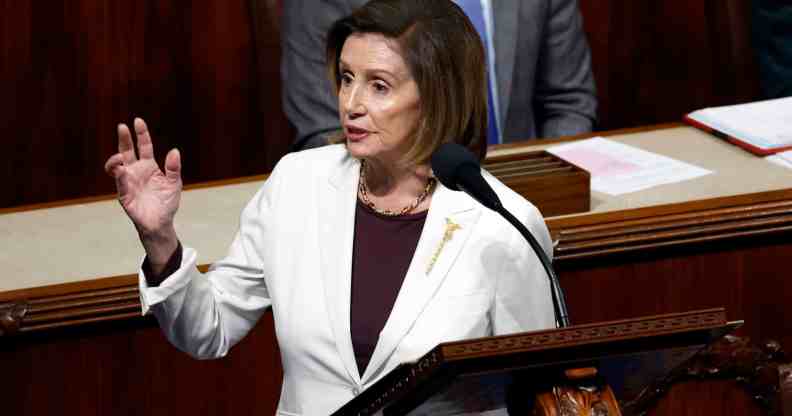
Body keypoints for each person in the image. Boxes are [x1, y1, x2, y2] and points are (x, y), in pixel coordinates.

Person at [105, 0, 554, 414]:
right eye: (346, 78)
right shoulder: (297, 184)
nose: (351, 104)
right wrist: (160, 238)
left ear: (438, 95)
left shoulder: (502, 223)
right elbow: (208, 328)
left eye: (379, 86)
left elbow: (537, 389)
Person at [282, 0, 597, 150]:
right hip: (392, 210)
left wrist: (548, 187)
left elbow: (568, 103)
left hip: (520, 197)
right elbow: (322, 132)